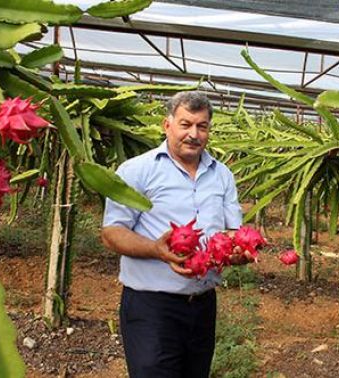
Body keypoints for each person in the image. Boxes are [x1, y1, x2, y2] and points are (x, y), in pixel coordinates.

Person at [101, 91, 250, 378]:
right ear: (166, 124)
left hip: (203, 304)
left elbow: (233, 232)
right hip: (151, 307)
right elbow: (112, 233)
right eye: (185, 124)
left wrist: (238, 251)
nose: (194, 134)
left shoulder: (223, 175)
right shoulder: (136, 171)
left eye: (202, 126)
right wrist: (157, 249)